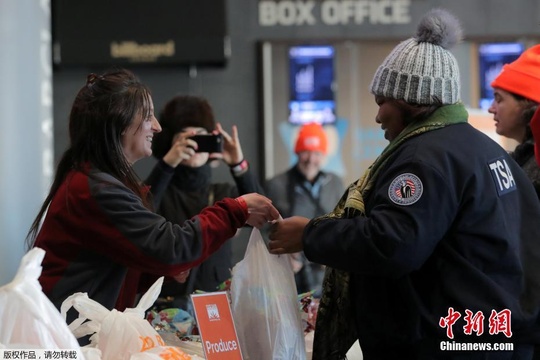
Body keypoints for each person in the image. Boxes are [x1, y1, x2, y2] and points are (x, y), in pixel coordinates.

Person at [268, 8, 540, 359]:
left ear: (412, 101)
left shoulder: (425, 159)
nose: (379, 115)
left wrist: (310, 235)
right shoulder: (486, 151)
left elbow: (393, 243)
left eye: (384, 102)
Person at [26, 68, 279, 327]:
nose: (156, 127)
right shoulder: (98, 189)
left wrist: (155, 272)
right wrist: (234, 211)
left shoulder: (93, 181)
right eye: (147, 117)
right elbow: (171, 247)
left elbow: (110, 262)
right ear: (119, 123)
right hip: (65, 338)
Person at [146, 94, 263, 310]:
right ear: (171, 142)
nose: (195, 144)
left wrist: (238, 164)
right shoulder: (160, 191)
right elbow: (141, 208)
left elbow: (262, 214)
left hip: (216, 304)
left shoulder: (223, 193)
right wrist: (168, 162)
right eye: (185, 137)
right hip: (168, 307)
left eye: (201, 137)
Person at [265, 122, 344, 296]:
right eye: (306, 152)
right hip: (289, 277)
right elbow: (264, 230)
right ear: (297, 152)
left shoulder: (335, 184)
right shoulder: (276, 185)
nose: (310, 159)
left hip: (327, 276)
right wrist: (281, 257)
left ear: (323, 155)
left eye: (316, 153)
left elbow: (343, 224)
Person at [489, 44, 540, 198]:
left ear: (527, 102)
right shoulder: (525, 160)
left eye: (499, 99)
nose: (491, 108)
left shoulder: (534, 171)